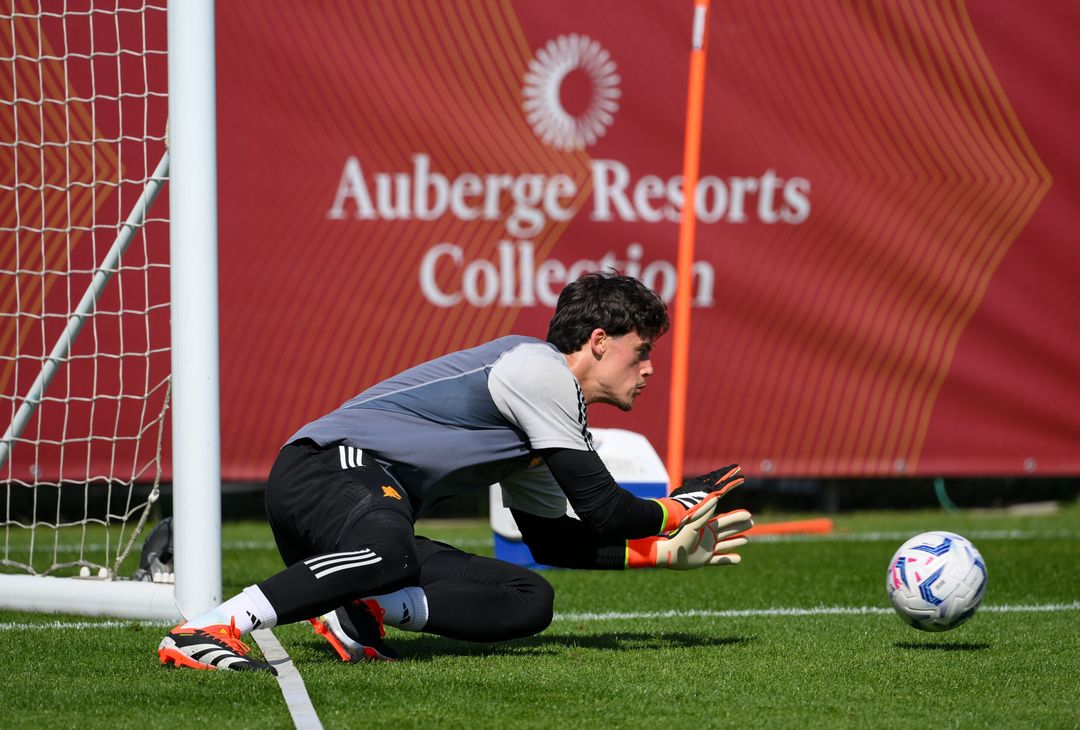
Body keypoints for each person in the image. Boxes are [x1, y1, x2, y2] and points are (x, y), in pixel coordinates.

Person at [158, 272, 753, 673]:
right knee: (390, 551)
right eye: (641, 350)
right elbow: (603, 507)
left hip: (361, 514)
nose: (649, 369)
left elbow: (550, 539)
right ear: (599, 342)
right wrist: (673, 509)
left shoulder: (552, 421)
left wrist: (659, 554)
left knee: (528, 598)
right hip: (324, 466)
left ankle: (355, 612)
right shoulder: (541, 371)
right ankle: (208, 627)